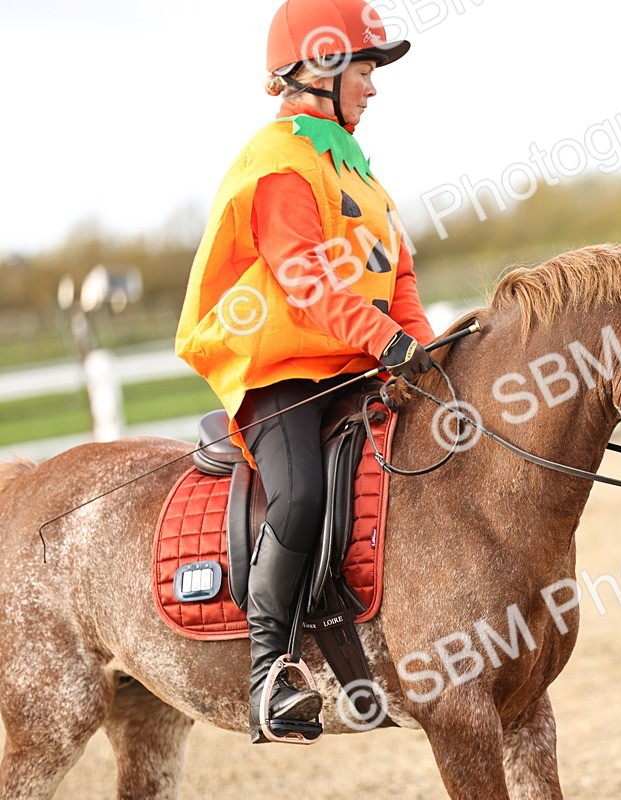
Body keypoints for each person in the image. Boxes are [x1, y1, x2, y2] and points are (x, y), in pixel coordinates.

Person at [176, 0, 436, 743]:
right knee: (301, 495)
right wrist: (384, 342)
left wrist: (423, 354)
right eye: (366, 67)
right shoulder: (278, 162)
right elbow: (304, 278)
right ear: (320, 68)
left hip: (354, 364)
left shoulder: (357, 171)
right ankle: (270, 673)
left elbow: (400, 276)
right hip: (281, 370)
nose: (375, 86)